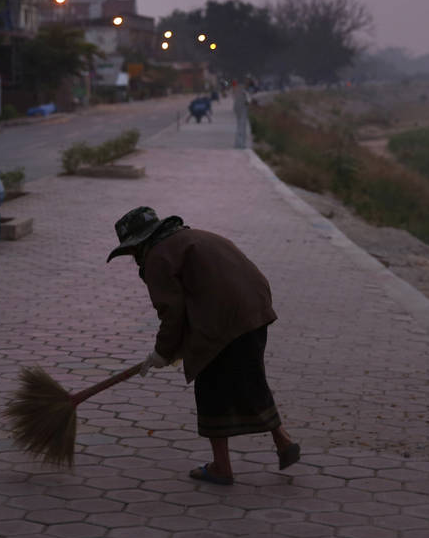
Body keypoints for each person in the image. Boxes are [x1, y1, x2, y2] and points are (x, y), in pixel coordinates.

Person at [107, 206, 299, 485]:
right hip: (254, 309)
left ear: (138, 244)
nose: (134, 258)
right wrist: (171, 349)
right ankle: (283, 442)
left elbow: (172, 313)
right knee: (250, 379)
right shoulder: (193, 237)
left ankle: (222, 467)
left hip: (225, 318)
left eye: (132, 251)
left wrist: (161, 352)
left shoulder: (158, 257)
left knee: (210, 390)